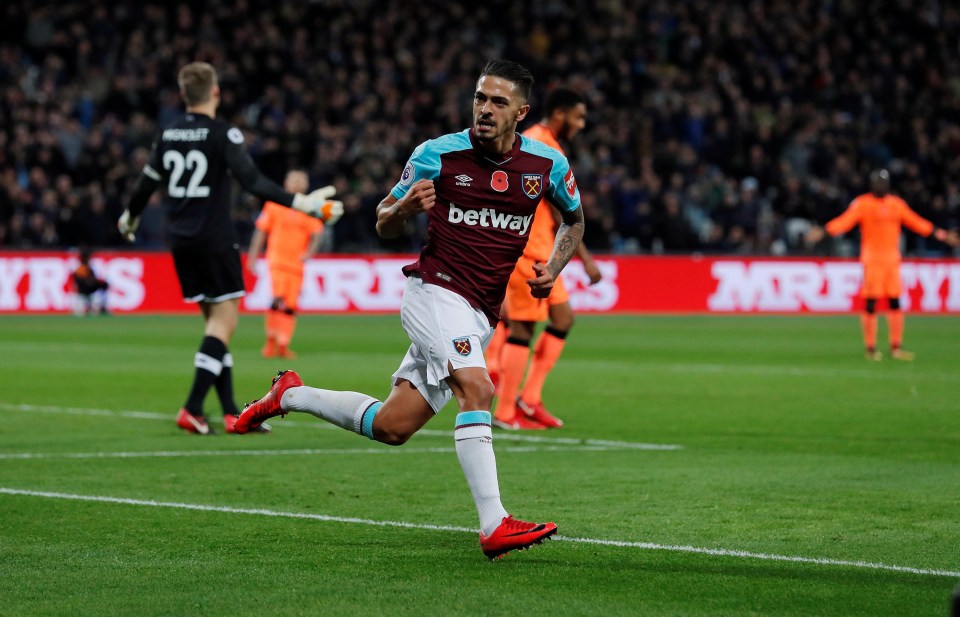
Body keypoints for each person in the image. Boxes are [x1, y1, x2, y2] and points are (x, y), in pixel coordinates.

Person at [235, 60, 585, 559]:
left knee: (393, 426)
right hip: (434, 292)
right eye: (480, 98)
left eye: (498, 102)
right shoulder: (436, 154)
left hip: (482, 311)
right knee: (479, 387)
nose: (485, 109)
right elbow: (383, 220)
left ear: (521, 112)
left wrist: (555, 266)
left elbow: (574, 221)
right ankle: (494, 524)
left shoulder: (546, 166)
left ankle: (289, 395)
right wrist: (402, 210)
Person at [117, 62, 343, 435]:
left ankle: (229, 412)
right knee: (225, 323)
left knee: (214, 323)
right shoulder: (224, 134)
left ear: (183, 94)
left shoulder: (168, 134)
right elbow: (252, 181)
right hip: (214, 237)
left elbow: (145, 183)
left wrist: (129, 218)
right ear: (216, 91)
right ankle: (191, 408)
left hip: (181, 239)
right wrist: (301, 203)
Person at [484, 87, 601, 430]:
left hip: (546, 247)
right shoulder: (539, 143)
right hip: (529, 248)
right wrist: (585, 257)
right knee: (521, 327)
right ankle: (505, 410)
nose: (582, 124)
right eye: (578, 117)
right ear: (561, 114)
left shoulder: (545, 141)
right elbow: (560, 207)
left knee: (563, 319)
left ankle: (529, 399)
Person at [807, 169, 957, 360]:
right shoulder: (862, 204)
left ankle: (896, 347)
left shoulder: (896, 204)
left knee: (895, 302)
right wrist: (825, 231)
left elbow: (918, 223)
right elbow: (844, 222)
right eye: (877, 182)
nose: (880, 186)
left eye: (883, 183)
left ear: (888, 185)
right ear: (872, 185)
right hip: (872, 260)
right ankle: (870, 348)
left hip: (892, 261)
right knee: (871, 303)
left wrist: (942, 235)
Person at [247, 169, 324, 359]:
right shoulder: (274, 204)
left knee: (290, 306)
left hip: (296, 264)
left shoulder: (309, 208)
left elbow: (317, 234)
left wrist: (309, 253)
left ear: (305, 185)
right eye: (293, 180)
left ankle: (283, 344)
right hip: (277, 260)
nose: (297, 184)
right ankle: (270, 342)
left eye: (300, 180)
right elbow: (261, 231)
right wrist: (252, 256)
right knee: (277, 299)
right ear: (286, 183)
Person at [72, 245, 109, 316]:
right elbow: (85, 283)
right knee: (80, 313)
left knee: (96, 308)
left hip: (91, 294)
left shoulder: (89, 269)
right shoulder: (80, 269)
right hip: (82, 295)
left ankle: (100, 308)